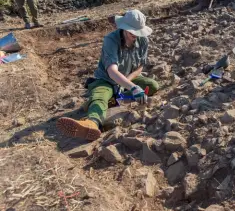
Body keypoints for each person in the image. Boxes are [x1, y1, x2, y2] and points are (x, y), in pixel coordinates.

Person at [57, 10, 160, 141]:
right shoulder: (111, 40)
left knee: (152, 86)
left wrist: (127, 83)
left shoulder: (143, 41)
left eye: (138, 32)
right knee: (102, 95)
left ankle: (113, 99)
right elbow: (112, 72)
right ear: (124, 28)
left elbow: (140, 66)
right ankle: (92, 122)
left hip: (127, 78)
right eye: (132, 32)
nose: (135, 35)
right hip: (106, 80)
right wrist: (133, 88)